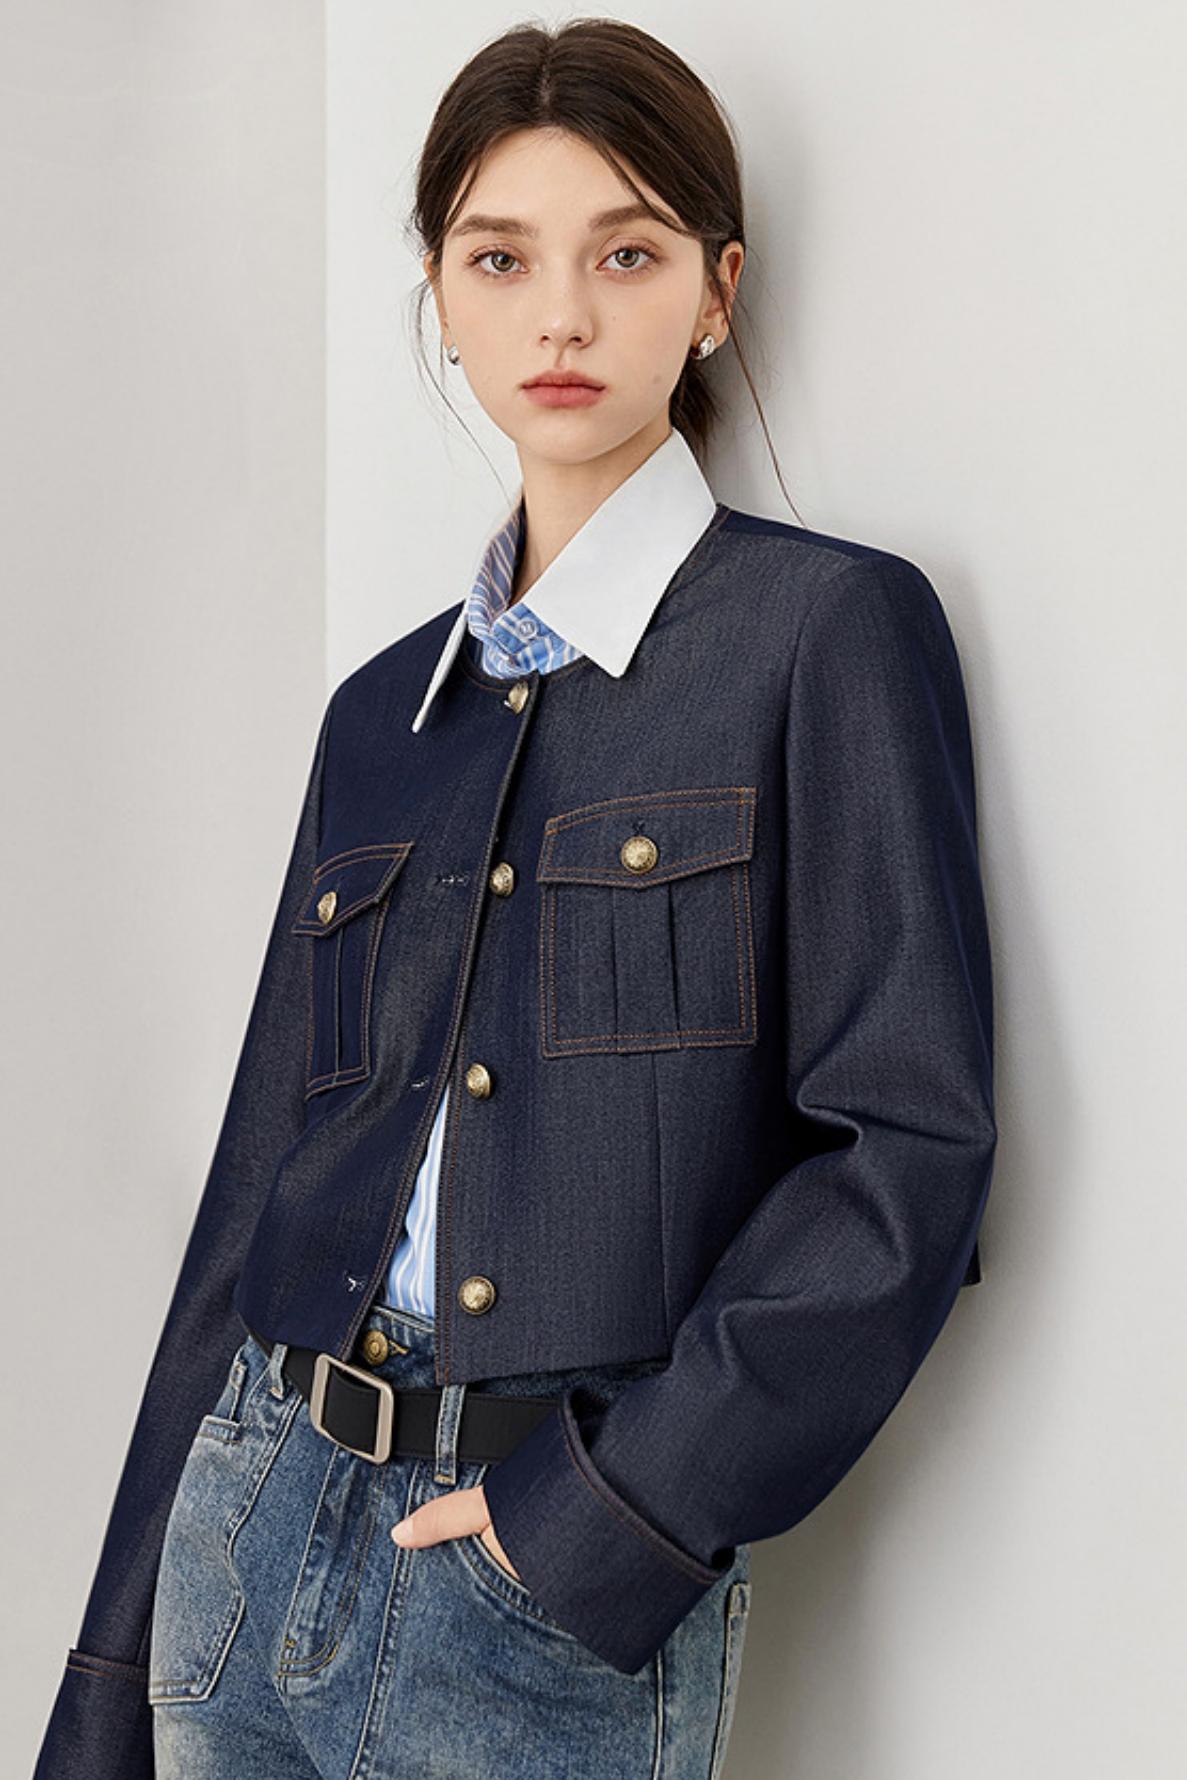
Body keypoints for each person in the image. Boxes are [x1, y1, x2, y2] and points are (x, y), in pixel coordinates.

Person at [33, 17, 995, 1780]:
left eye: (623, 255)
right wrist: (102, 1688)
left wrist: (610, 1512)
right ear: (442, 297)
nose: (560, 317)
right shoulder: (378, 719)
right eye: (500, 259)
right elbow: (254, 1193)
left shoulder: (823, 635)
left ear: (715, 294)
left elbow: (906, 1153)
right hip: (247, 1535)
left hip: (534, 1597)